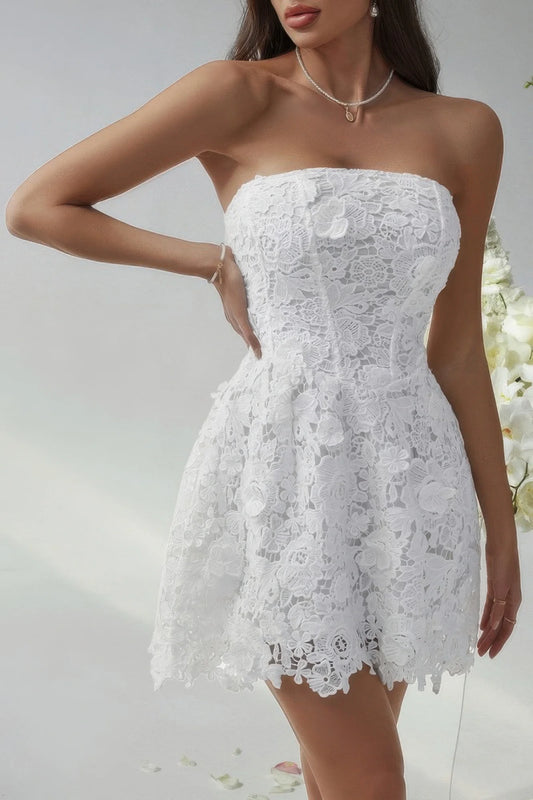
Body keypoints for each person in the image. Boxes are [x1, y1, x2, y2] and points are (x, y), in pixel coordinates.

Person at [6, 1, 522, 799]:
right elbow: (37, 206)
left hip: (412, 484)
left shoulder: (465, 128)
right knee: (371, 780)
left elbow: (453, 348)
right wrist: (212, 262)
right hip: (283, 469)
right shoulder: (235, 94)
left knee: (338, 778)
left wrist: (500, 533)